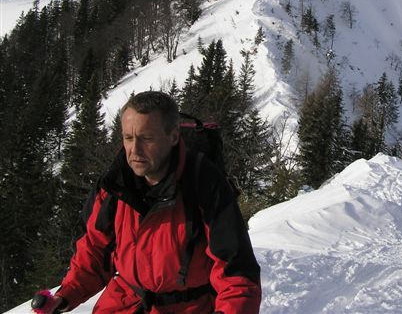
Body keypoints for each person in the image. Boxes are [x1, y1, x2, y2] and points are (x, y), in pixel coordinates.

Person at [41, 91, 261, 313]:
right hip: (124, 303)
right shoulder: (115, 184)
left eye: (146, 138)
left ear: (173, 137)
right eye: (128, 138)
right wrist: (64, 295)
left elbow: (237, 275)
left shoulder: (203, 184)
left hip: (188, 307)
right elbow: (95, 252)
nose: (134, 150)